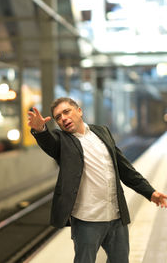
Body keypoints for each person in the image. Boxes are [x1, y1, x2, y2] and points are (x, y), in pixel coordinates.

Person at [28, 97, 167, 263]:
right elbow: (50, 142)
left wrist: (150, 192)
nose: (63, 118)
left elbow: (125, 169)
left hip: (116, 216)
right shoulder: (63, 141)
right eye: (58, 117)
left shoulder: (102, 132)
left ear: (79, 111)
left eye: (66, 112)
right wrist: (40, 130)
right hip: (88, 220)